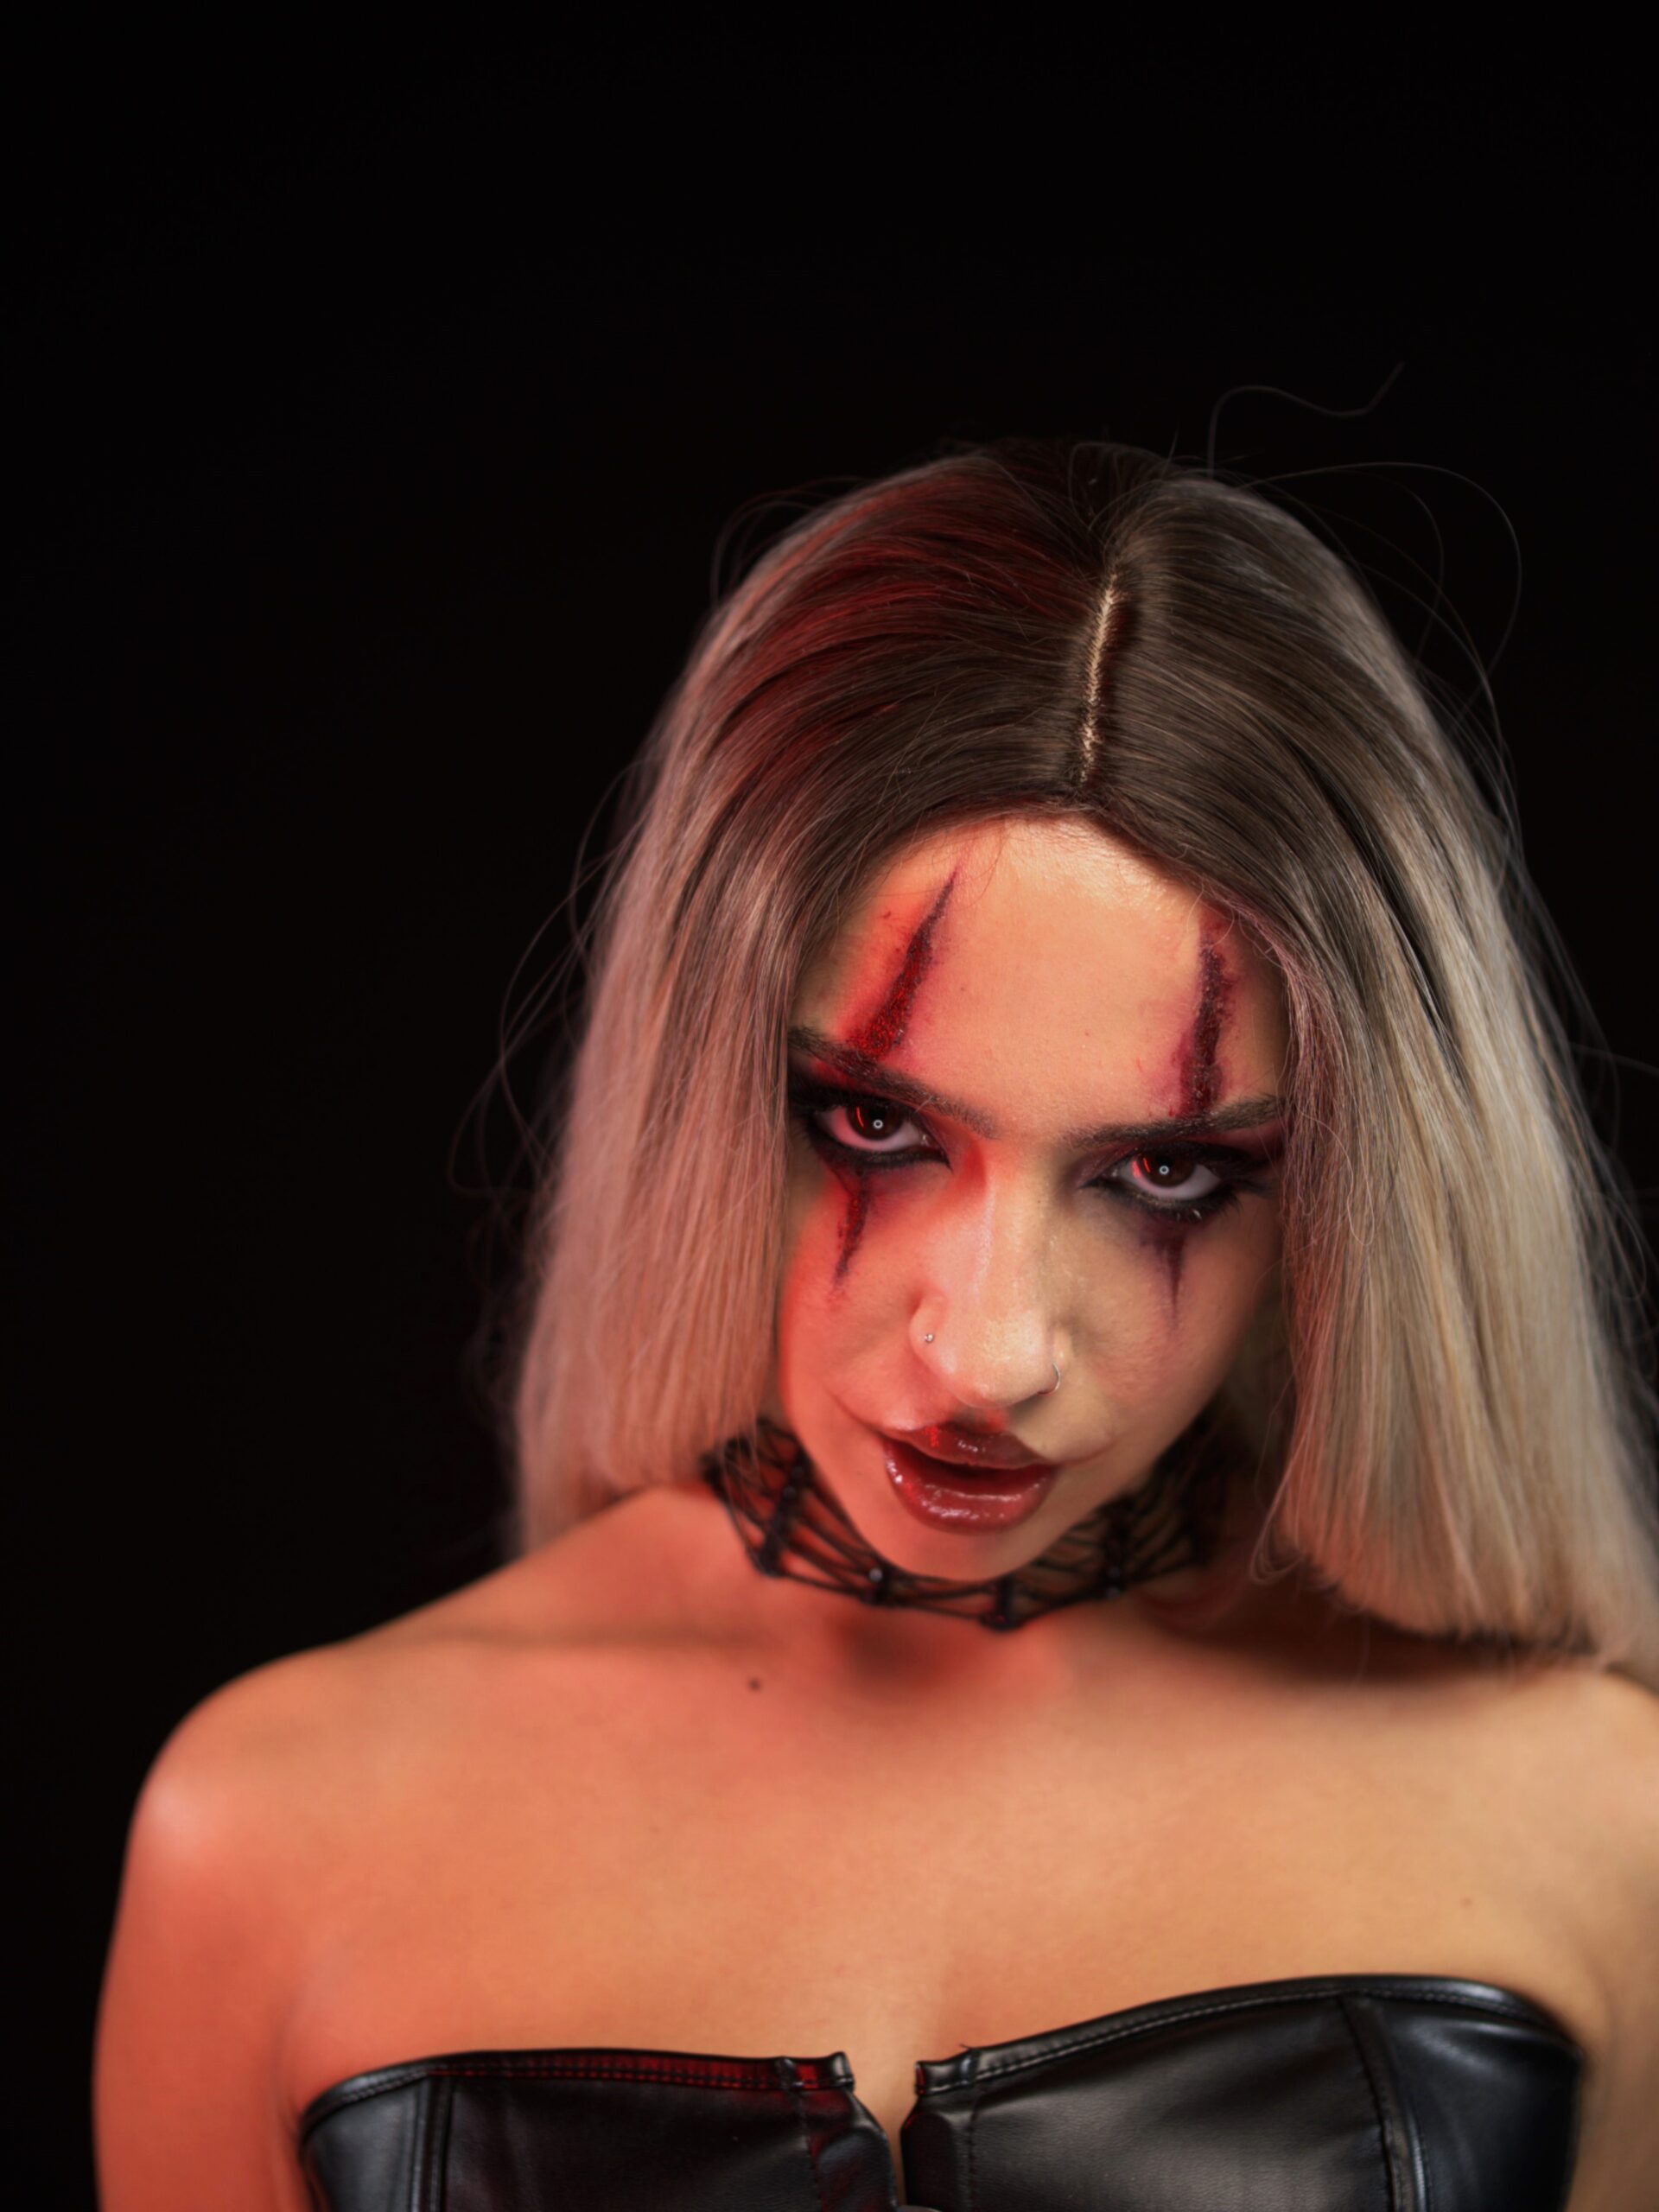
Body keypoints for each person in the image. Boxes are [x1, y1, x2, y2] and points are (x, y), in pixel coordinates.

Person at [94, 436, 1659, 2210]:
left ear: (1354, 1186)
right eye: (872, 1123)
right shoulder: (270, 1828)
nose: (990, 1354)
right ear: (698, 1089)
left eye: (1165, 1171)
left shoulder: (1598, 1817)